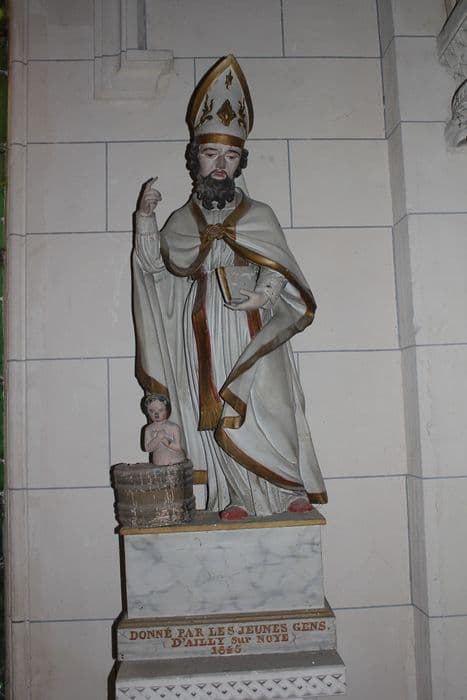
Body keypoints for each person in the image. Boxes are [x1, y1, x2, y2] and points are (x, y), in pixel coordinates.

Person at [132, 55, 327, 519]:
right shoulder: (181, 220)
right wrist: (145, 219)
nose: (221, 164)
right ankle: (234, 495)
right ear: (195, 159)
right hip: (203, 326)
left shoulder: (259, 215)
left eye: (231, 156)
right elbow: (155, 269)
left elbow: (278, 266)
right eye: (211, 154)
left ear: (241, 162)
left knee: (269, 402)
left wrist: (263, 294)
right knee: (219, 405)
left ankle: (287, 487)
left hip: (254, 322)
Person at [143, 394, 186, 466]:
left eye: (160, 410)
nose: (156, 414)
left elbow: (177, 447)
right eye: (151, 411)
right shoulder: (149, 429)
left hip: (175, 462)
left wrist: (163, 439)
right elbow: (148, 449)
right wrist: (157, 438)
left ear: (167, 410)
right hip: (159, 463)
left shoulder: (173, 427)